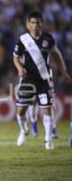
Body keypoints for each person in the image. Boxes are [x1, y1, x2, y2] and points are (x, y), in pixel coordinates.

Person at [13, 11, 72, 150]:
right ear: (28, 24)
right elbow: (15, 57)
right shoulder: (23, 39)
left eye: (37, 23)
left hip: (44, 78)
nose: (35, 26)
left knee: (46, 109)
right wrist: (19, 68)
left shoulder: (48, 39)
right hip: (27, 79)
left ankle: (48, 139)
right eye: (32, 23)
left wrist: (63, 70)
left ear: (42, 24)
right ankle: (23, 130)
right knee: (21, 110)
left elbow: (56, 54)